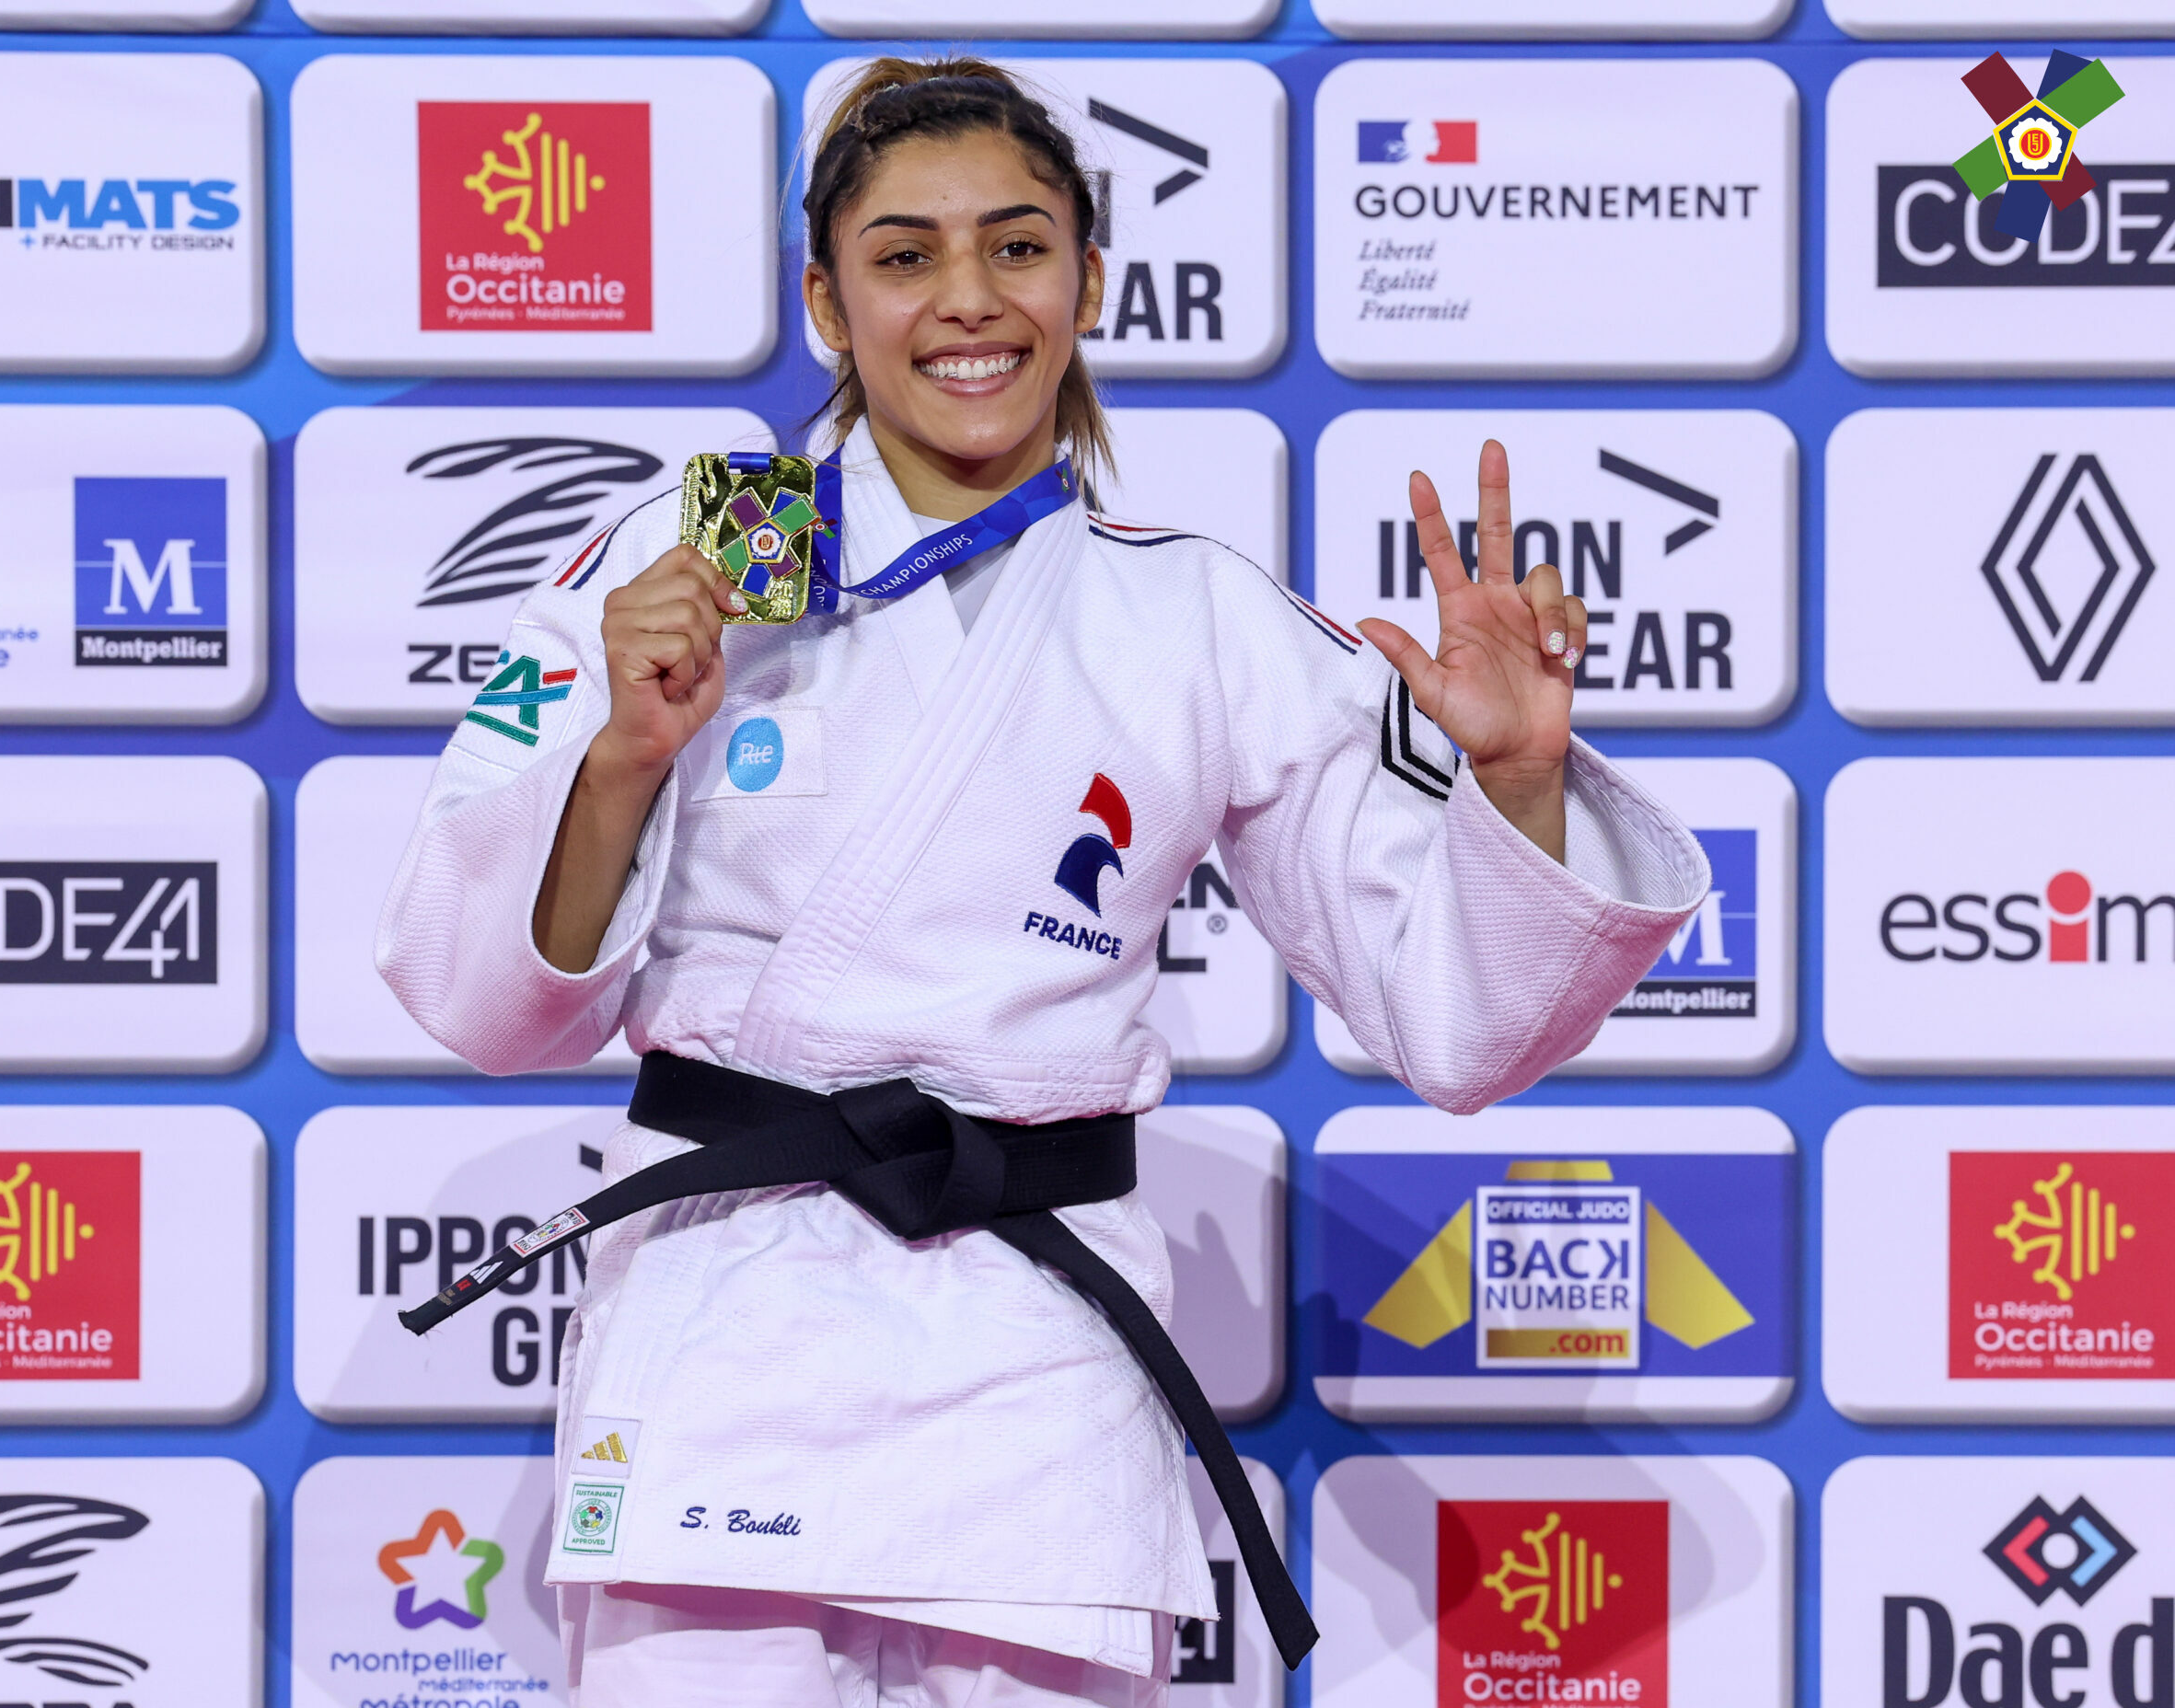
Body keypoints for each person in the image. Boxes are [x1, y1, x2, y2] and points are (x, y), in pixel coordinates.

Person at [378, 55, 1708, 1708]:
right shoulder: (683, 562)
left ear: (1090, 276)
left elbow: (1464, 1025)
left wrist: (1511, 780)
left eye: (1017, 247)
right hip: (734, 1327)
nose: (967, 302)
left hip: (1033, 1357)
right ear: (826, 297)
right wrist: (627, 757)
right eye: (904, 253)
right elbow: (479, 995)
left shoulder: (1196, 617)